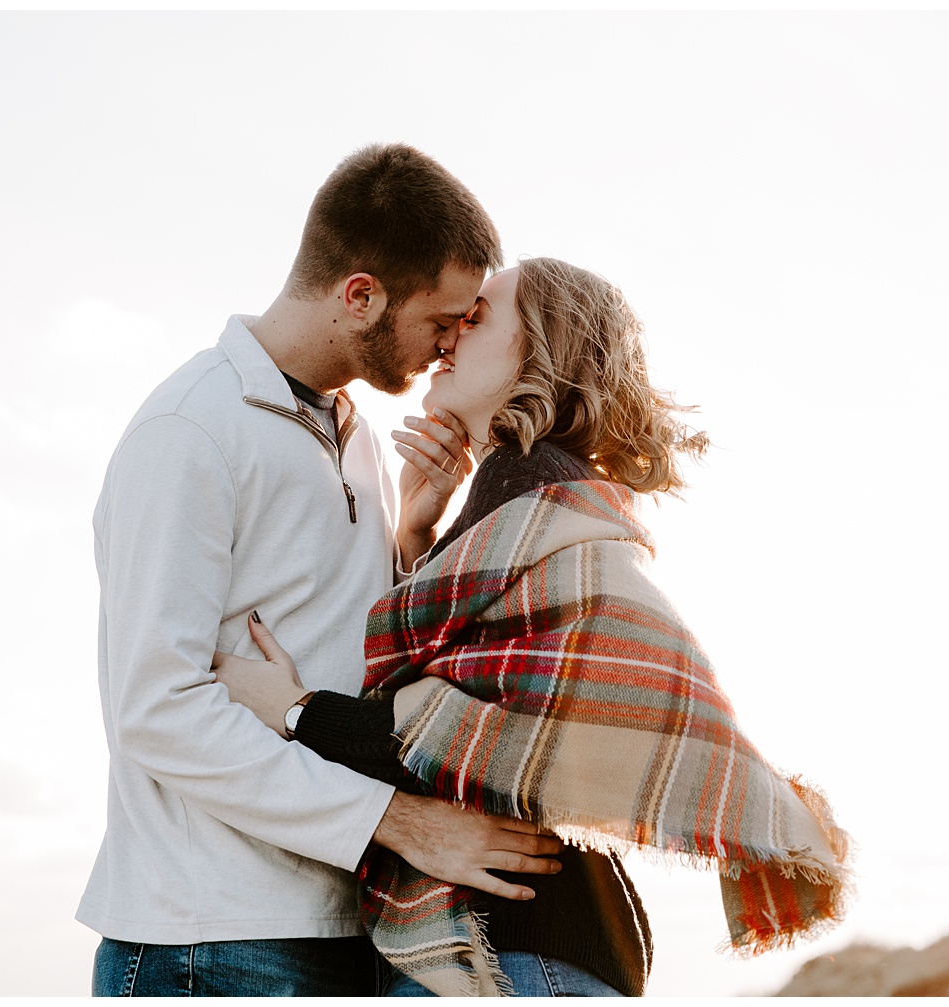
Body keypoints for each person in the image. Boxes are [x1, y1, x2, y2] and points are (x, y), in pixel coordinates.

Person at [215, 257, 854, 997]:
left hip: (518, 957)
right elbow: (480, 716)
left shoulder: (534, 496)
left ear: (539, 348)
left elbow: (438, 743)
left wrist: (293, 711)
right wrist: (419, 538)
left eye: (478, 317)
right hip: (543, 954)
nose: (451, 334)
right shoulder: (540, 500)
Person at [78, 144, 565, 998]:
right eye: (443, 318)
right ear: (361, 295)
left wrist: (414, 533)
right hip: (213, 940)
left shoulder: (359, 439)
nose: (452, 343)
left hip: (345, 925)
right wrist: (405, 823)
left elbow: (362, 651)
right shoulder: (190, 432)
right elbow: (156, 707)